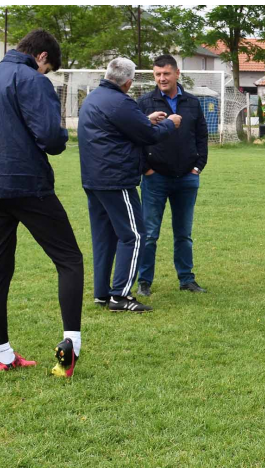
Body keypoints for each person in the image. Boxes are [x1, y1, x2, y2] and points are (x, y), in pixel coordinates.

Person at [0, 29, 82, 377]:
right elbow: (49, 137)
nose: (44, 74)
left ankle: (3, 354)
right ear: (42, 57)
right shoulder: (33, 79)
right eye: (47, 69)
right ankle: (71, 346)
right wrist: (61, 136)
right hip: (29, 184)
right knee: (69, 259)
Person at [79, 57, 181, 313]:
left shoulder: (93, 98)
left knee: (104, 237)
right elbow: (148, 136)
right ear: (128, 82)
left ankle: (101, 293)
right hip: (116, 179)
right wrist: (170, 124)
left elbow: (118, 128)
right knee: (134, 235)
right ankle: (120, 296)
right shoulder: (121, 101)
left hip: (93, 179)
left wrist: (146, 119)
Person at [135, 54, 209, 297]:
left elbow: (201, 137)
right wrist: (147, 168)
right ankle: (144, 282)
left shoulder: (192, 103)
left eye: (166, 73)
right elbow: (137, 138)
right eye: (157, 74)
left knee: (184, 234)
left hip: (186, 178)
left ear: (177, 73)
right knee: (149, 235)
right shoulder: (145, 102)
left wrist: (197, 166)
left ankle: (186, 279)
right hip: (155, 178)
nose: (161, 78)